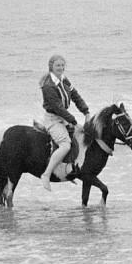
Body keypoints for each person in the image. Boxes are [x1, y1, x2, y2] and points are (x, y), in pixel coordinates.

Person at [38, 54, 90, 191]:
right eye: (57, 66)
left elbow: (76, 96)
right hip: (53, 118)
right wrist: (74, 122)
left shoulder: (64, 80)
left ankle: (67, 169)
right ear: (51, 67)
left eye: (62, 65)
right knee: (65, 145)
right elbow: (58, 108)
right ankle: (46, 174)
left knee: (79, 137)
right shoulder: (48, 86)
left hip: (63, 118)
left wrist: (86, 112)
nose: (60, 68)